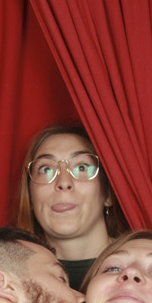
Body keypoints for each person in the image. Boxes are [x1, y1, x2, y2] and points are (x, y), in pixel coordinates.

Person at [14, 123, 127, 289]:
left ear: (108, 194)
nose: (64, 182)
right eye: (46, 169)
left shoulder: (141, 268)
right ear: (30, 197)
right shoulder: (12, 276)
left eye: (82, 167)